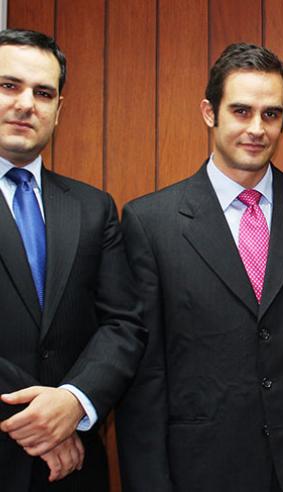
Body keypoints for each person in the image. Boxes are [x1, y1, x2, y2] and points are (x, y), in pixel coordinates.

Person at [115, 43, 283, 492]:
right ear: (210, 112)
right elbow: (145, 377)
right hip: (203, 471)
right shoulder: (151, 223)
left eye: (271, 114)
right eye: (241, 111)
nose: (256, 129)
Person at [0, 29, 147, 490]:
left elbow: (124, 323)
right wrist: (42, 422)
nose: (27, 104)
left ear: (59, 110)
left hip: (71, 471)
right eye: (9, 86)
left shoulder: (92, 207)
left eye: (43, 92)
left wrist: (75, 401)